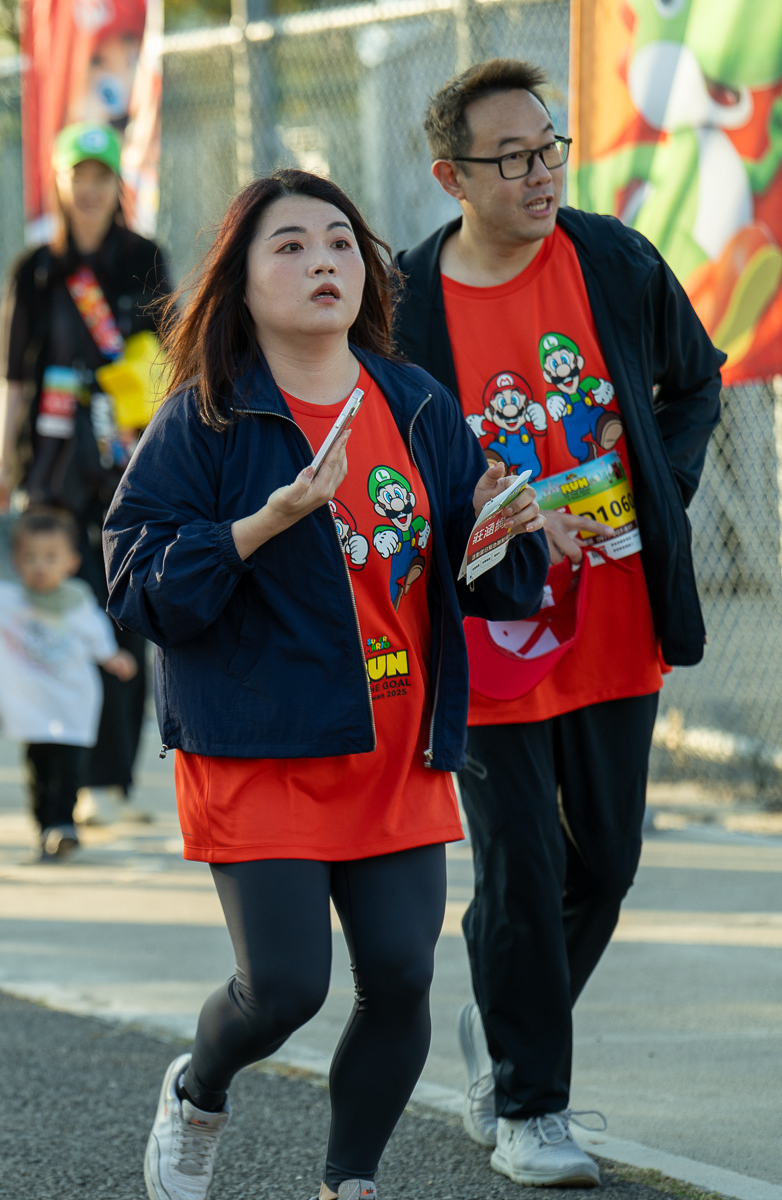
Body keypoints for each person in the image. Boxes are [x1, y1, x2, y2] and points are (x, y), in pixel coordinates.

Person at [104, 169, 549, 1200]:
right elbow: (137, 586)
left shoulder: (415, 402)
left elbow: (493, 586)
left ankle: (349, 1182)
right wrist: (264, 523)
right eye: (291, 246)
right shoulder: (206, 418)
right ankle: (198, 1091)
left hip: (394, 742)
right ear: (243, 280)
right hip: (259, 741)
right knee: (283, 989)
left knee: (400, 974)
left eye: (341, 243)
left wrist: (506, 527)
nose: (323, 263)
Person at [393, 60, 723, 1187]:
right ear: (452, 177)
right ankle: (532, 1108)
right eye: (512, 159)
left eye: (549, 149)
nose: (541, 174)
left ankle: (505, 1013)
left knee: (608, 866)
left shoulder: (614, 259)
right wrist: (506, 524)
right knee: (523, 865)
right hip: (490, 631)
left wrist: (658, 489)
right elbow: (395, 467)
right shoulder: (409, 306)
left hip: (617, 617)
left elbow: (696, 383)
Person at [0, 121, 171, 826]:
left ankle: (112, 782)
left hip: (129, 462)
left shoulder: (144, 258)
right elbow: (13, 375)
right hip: (55, 466)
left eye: (101, 176)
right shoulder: (35, 269)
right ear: (58, 183)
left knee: (125, 616)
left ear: (116, 183)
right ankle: (63, 787)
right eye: (78, 176)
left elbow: (170, 363)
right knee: (63, 617)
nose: (89, 189)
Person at [0, 507, 135, 859]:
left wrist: (113, 657)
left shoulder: (77, 601)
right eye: (30, 558)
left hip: (73, 704)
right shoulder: (8, 601)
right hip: (33, 709)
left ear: (71, 561)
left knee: (69, 768)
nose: (40, 566)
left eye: (50, 558)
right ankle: (44, 829)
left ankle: (63, 825)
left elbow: (98, 637)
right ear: (15, 561)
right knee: (38, 770)